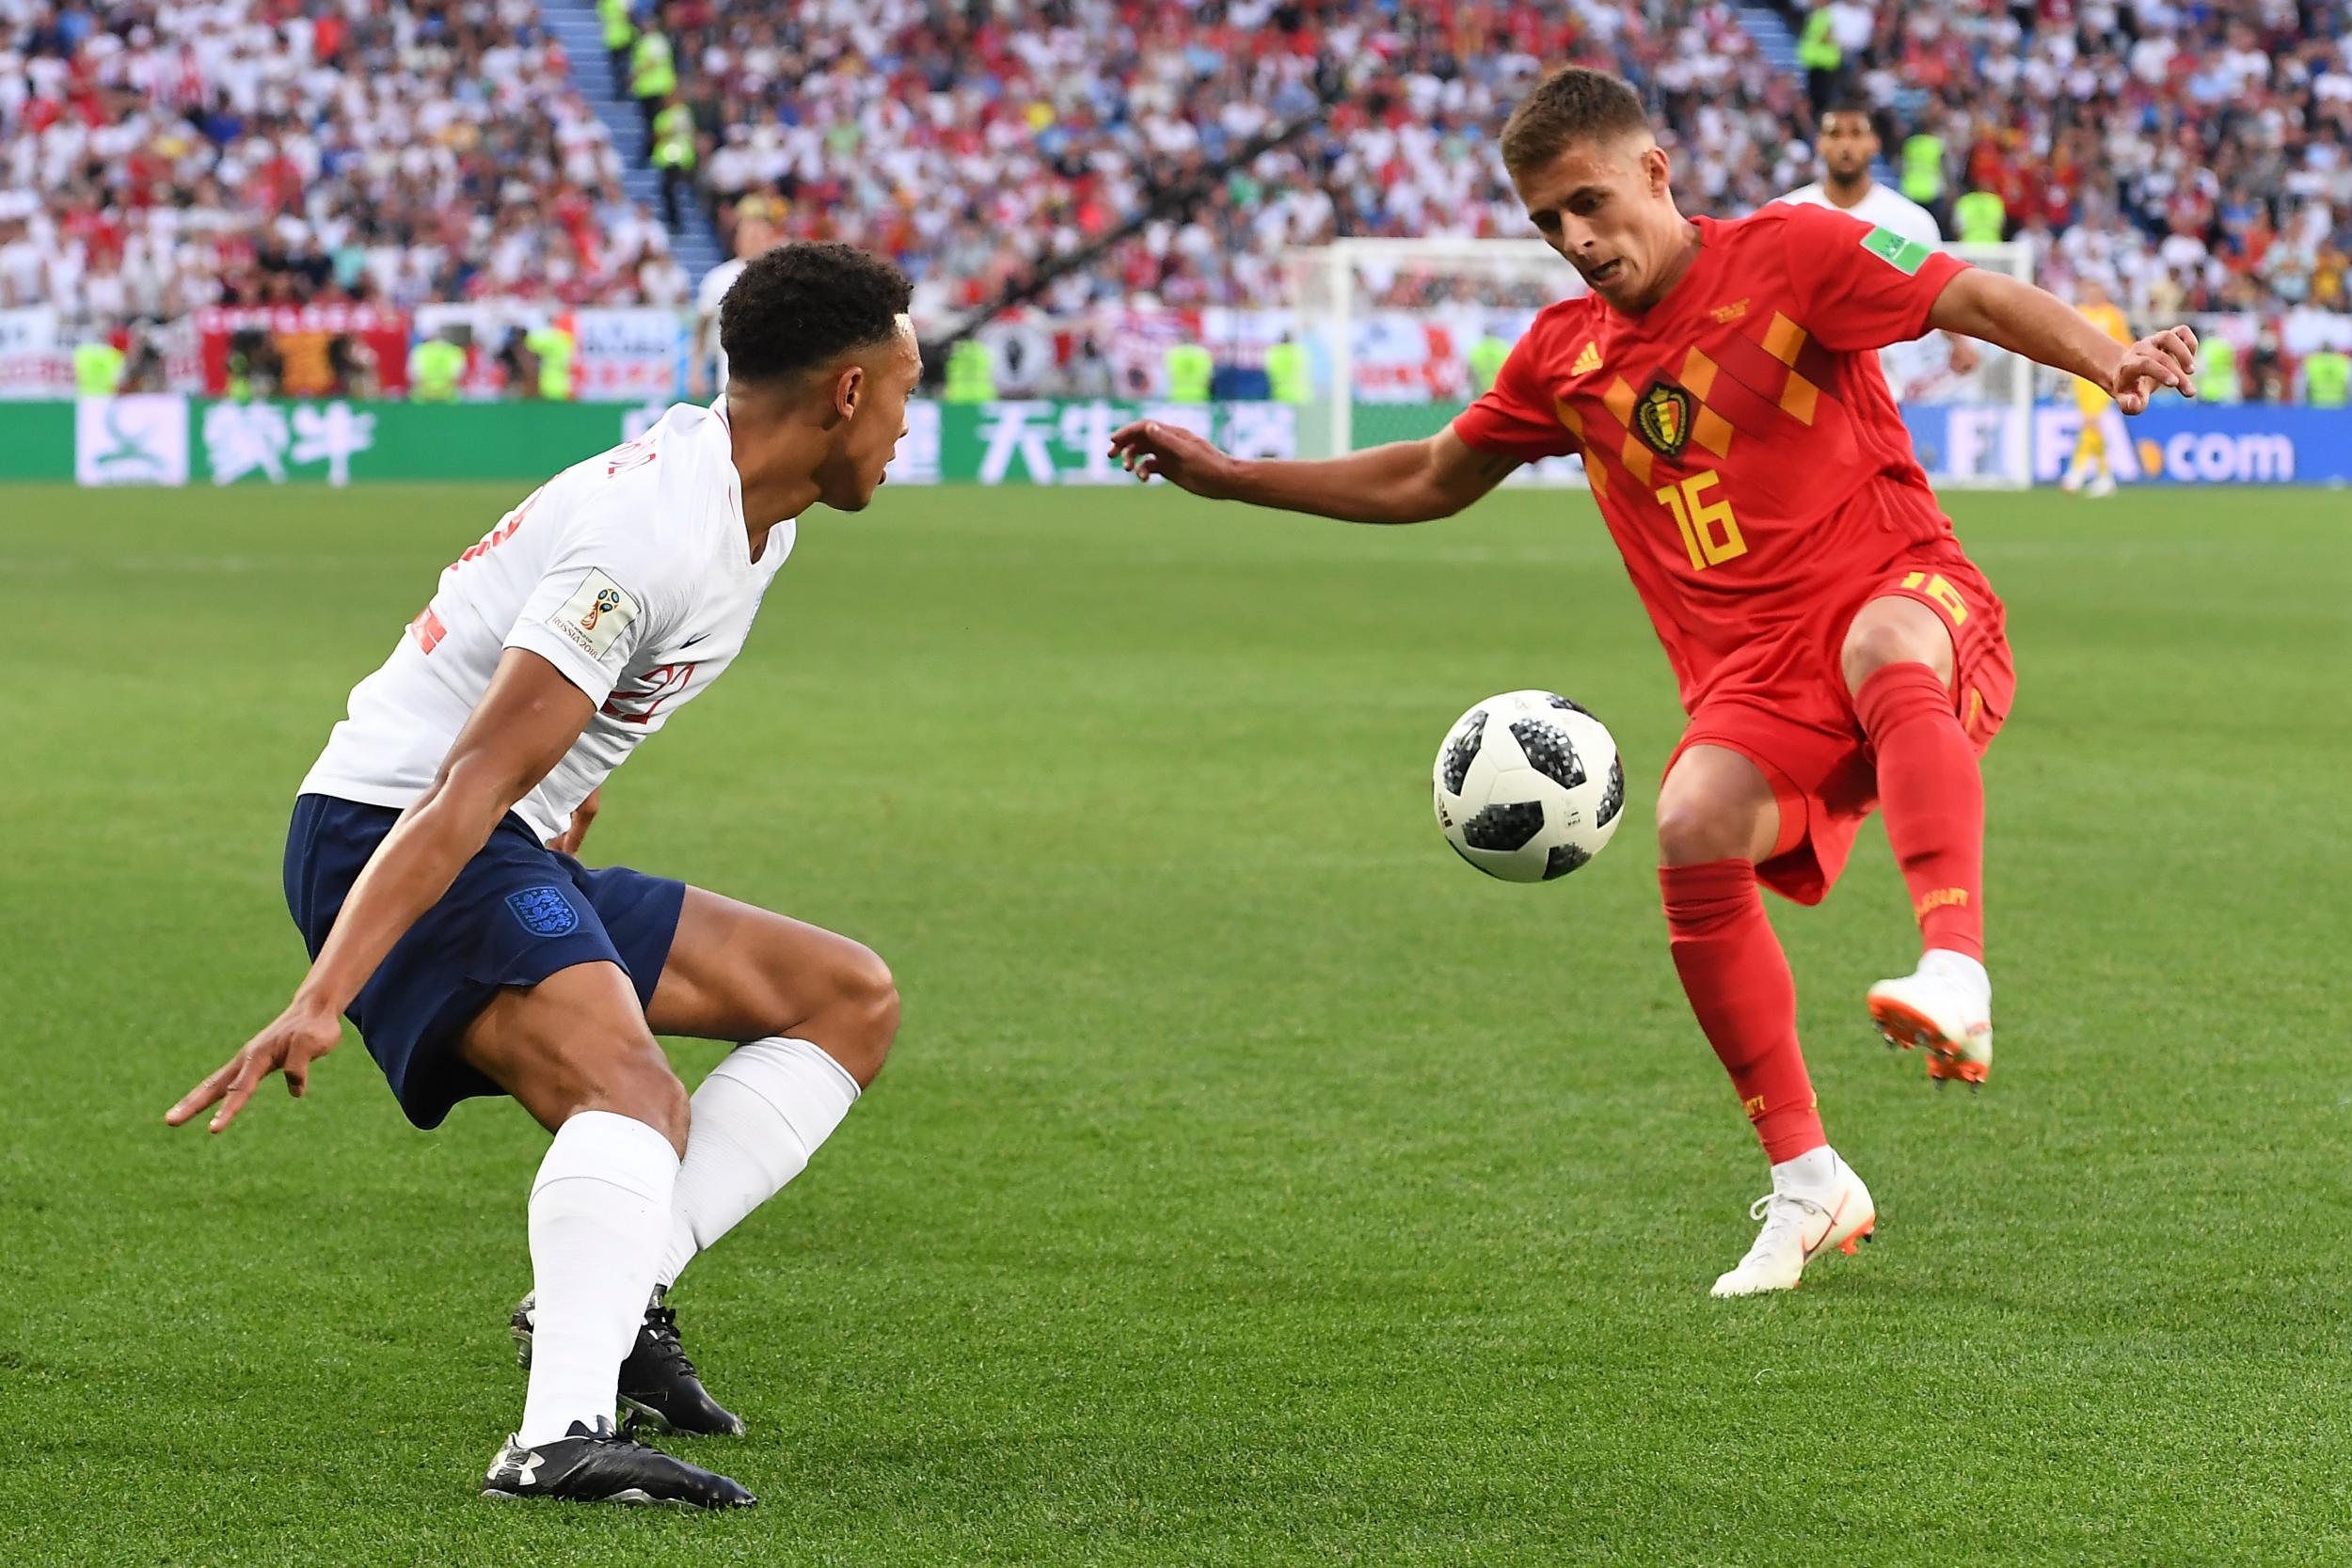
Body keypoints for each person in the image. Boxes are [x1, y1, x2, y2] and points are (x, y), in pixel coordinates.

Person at [1107, 68, 2197, 1299]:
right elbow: (1427, 475)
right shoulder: (1565, 356)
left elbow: (1969, 292)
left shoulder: (1796, 251)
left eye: (1589, 203)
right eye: (1546, 223)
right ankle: (1807, 1182)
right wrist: (1232, 475)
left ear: (1655, 173)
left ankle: (1957, 966)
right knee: (1689, 825)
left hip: (1904, 589)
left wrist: (2108, 360)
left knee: (1887, 647)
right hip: (1752, 679)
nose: (1576, 239)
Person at [165, 244, 922, 1506]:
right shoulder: (654, 533)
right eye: (905, 389)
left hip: (495, 832)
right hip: (394, 828)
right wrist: (323, 992)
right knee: (634, 1090)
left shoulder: (750, 516)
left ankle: (612, 1294)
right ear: (846, 393)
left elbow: (591, 711)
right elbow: (463, 780)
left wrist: (569, 800)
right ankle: (557, 1436)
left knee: (845, 996)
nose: (909, 424)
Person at [1779, 100, 1980, 380]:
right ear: (1820, 144)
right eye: (1835, 135)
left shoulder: (1908, 222)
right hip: (1803, 380)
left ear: (1874, 142)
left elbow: (1932, 287)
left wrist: (1959, 343)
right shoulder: (1785, 216)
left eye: (1856, 134)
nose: (1846, 145)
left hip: (1885, 384)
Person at [690, 216, 777, 402]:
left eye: (760, 236)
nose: (756, 241)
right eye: (750, 236)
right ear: (737, 241)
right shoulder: (718, 278)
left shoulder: (782, 279)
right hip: (730, 381)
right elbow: (701, 329)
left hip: (775, 383)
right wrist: (695, 372)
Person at [2059, 278, 2133, 498]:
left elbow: (2125, 343)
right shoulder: (2079, 312)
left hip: (2106, 374)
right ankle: (2104, 476)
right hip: (2081, 376)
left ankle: (2076, 472)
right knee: (2091, 423)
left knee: (2092, 420)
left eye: (2097, 291)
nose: (2093, 296)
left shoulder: (2114, 315)